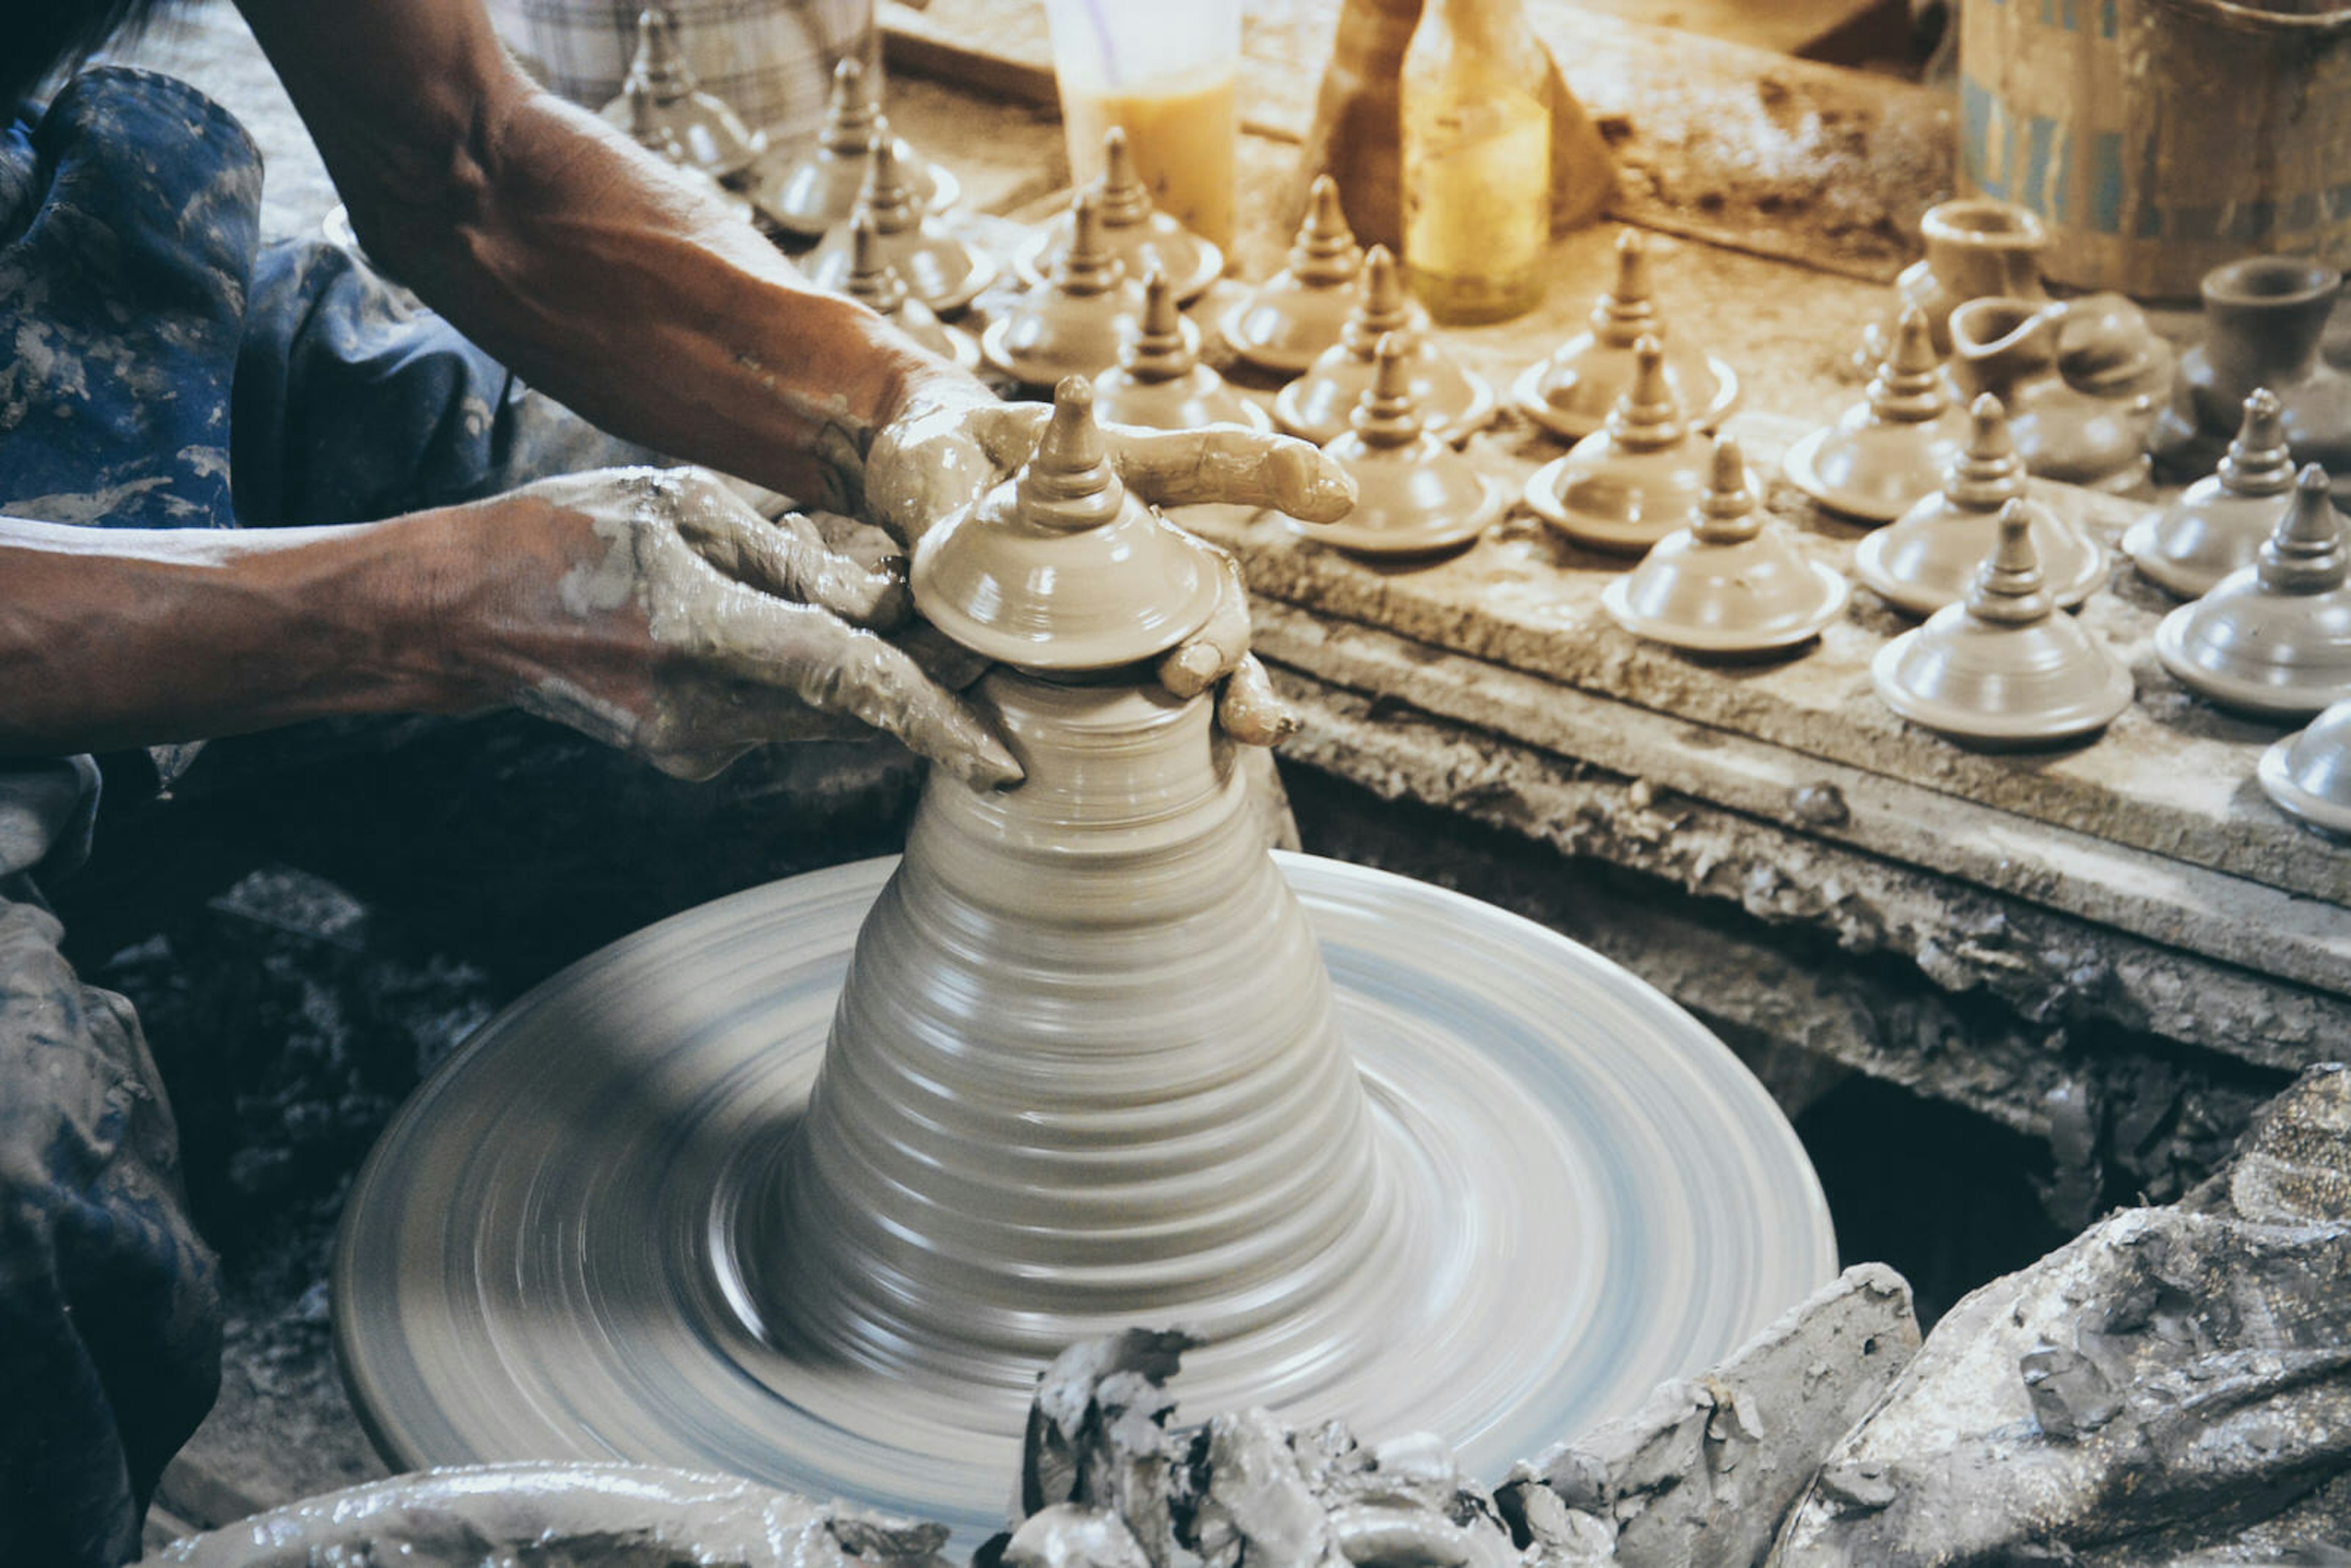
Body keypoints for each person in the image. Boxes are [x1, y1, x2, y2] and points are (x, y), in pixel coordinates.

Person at [0, 4, 1354, 1562]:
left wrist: (893, 419)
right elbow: (429, 599)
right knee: (27, 1203)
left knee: (894, 692)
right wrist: (418, 608)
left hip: (64, 298)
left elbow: (473, 159)